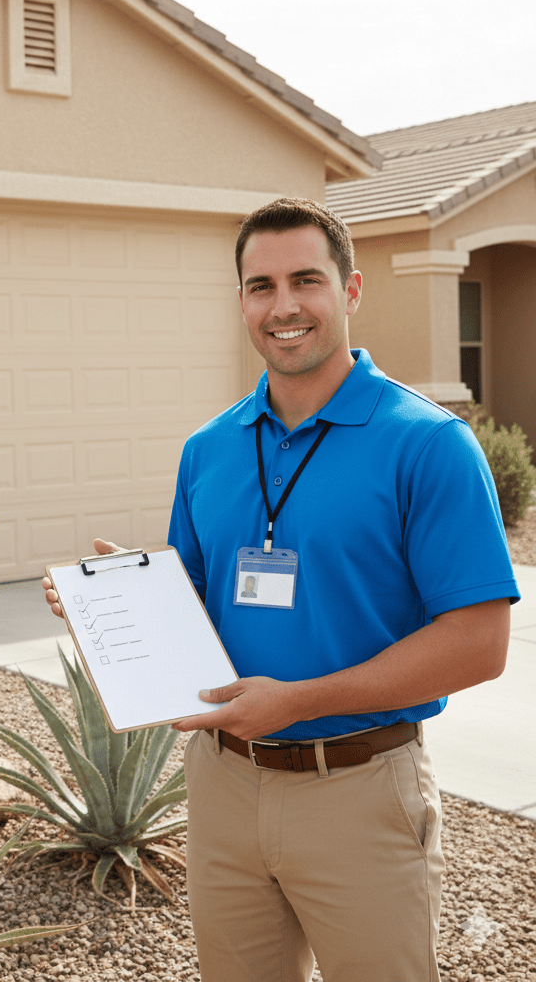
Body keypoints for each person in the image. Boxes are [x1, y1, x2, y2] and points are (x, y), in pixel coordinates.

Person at [43, 197, 518, 980]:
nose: (284, 305)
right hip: (223, 784)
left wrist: (299, 700)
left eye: (306, 280)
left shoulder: (430, 444)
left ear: (351, 290)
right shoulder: (209, 449)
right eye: (261, 286)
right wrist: (124, 597)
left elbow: (479, 643)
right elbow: (196, 609)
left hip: (359, 790)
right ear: (240, 302)